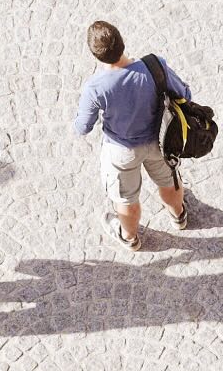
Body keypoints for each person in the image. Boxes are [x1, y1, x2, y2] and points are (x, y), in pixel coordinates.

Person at [71, 20, 191, 250]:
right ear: (122, 43)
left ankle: (129, 237)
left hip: (121, 151)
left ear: (96, 56)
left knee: (126, 199)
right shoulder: (155, 66)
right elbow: (184, 93)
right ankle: (179, 215)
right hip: (160, 142)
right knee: (169, 181)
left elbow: (83, 127)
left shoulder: (95, 88)